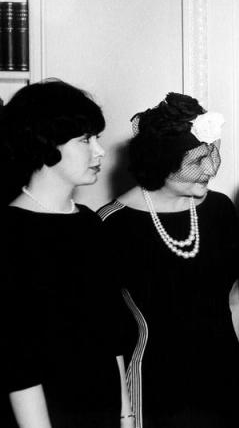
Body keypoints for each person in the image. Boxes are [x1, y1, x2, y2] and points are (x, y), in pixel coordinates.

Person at [97, 93, 239, 427]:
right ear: (161, 163)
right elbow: (107, 333)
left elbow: (235, 300)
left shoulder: (220, 210)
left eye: (210, 155)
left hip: (224, 385)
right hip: (154, 390)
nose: (210, 169)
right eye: (196, 162)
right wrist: (124, 412)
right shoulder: (112, 224)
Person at [0, 79, 133, 427]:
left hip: (102, 412)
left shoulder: (91, 224)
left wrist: (126, 415)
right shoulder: (10, 233)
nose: (99, 151)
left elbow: (112, 335)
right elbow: (16, 360)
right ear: (45, 142)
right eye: (85, 140)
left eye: (98, 138)